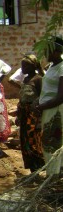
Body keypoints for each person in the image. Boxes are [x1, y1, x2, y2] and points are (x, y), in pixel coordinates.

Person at [36, 36, 63, 178]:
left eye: (48, 50)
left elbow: (60, 97)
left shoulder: (62, 67)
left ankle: (55, 176)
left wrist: (42, 106)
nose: (45, 53)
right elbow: (48, 88)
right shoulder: (52, 66)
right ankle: (54, 175)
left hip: (55, 110)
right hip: (48, 108)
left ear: (57, 51)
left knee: (53, 143)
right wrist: (38, 101)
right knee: (49, 142)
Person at [16, 54, 45, 172]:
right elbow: (21, 98)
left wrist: (39, 115)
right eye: (22, 65)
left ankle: (39, 167)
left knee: (33, 140)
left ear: (33, 66)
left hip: (33, 115)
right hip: (24, 114)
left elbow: (43, 96)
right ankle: (32, 168)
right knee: (25, 140)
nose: (22, 68)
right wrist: (18, 115)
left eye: (25, 66)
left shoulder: (38, 79)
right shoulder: (26, 79)